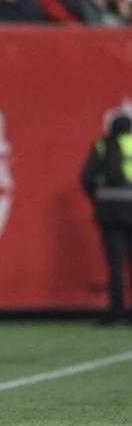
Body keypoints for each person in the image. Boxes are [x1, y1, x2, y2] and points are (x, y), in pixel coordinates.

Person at [82, 115, 132, 325]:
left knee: (115, 264)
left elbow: (86, 178)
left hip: (108, 214)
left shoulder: (101, 146)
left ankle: (116, 311)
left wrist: (99, 199)